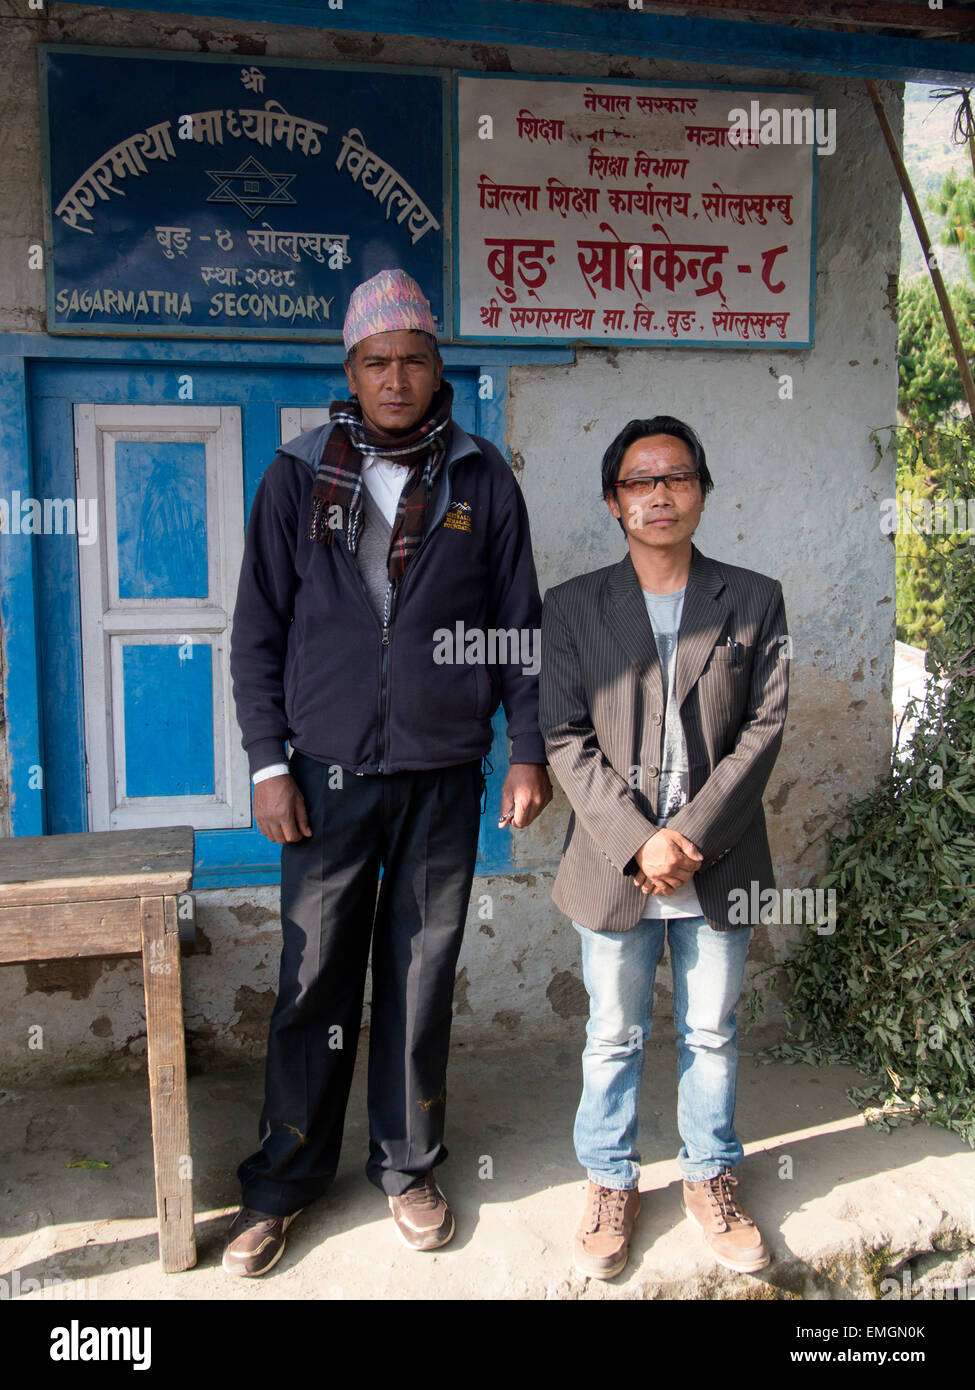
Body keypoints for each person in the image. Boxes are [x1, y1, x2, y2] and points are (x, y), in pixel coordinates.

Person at [225, 268, 551, 1276]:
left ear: (437, 365)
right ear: (350, 372)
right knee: (311, 980)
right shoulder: (295, 473)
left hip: (444, 773)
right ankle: (283, 1179)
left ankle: (408, 1167)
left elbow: (520, 631)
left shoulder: (483, 477)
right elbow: (257, 635)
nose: (396, 377)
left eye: (413, 358)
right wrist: (266, 765)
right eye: (377, 361)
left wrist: (528, 747)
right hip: (322, 775)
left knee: (418, 975)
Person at [539, 415, 789, 1281]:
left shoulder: (752, 598)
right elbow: (564, 736)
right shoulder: (573, 606)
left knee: (711, 1031)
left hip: (718, 858)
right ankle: (610, 1180)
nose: (658, 495)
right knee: (612, 1032)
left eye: (675, 478)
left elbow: (764, 728)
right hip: (615, 865)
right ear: (613, 502)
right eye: (639, 482)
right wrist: (640, 841)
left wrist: (687, 836)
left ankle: (709, 1175)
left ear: (701, 492)